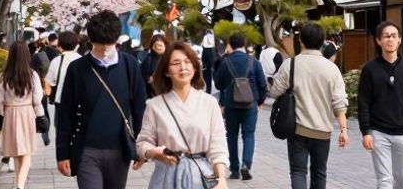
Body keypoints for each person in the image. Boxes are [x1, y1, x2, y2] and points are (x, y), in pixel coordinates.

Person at [55, 9, 149, 189]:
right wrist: (62, 153)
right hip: (87, 150)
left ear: (117, 40)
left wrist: (142, 148)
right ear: (91, 42)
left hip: (120, 150)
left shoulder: (130, 66)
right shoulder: (77, 69)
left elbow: (139, 110)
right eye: (100, 45)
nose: (105, 49)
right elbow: (66, 113)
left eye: (110, 44)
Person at [137, 41, 231, 189]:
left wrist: (221, 178)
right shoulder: (154, 105)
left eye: (188, 62)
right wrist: (152, 152)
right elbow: (143, 142)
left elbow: (218, 144)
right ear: (166, 71)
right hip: (165, 176)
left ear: (195, 67)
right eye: (176, 62)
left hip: (200, 175)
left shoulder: (209, 103)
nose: (183, 67)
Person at [269, 22, 348, 189]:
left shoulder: (290, 65)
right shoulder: (332, 69)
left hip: (297, 129)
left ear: (301, 41)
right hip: (323, 132)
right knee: (319, 172)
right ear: (322, 43)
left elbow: (275, 92)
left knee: (298, 171)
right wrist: (344, 130)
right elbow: (339, 102)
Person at [359, 21, 403, 189]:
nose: (390, 39)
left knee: (402, 180)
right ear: (378, 40)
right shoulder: (370, 69)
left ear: (400, 40)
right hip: (379, 132)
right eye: (386, 36)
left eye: (394, 36)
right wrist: (366, 131)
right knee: (385, 180)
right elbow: (363, 101)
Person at [214, 32, 269, 180]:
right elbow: (263, 84)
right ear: (244, 45)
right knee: (249, 134)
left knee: (231, 136)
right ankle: (246, 164)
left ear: (230, 45)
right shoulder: (253, 61)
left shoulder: (226, 61)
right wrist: (260, 101)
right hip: (250, 105)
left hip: (231, 104)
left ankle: (234, 169)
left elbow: (218, 83)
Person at [0, 40, 45, 189]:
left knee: (16, 152)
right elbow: (37, 99)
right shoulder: (32, 75)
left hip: (10, 113)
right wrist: (40, 115)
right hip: (27, 113)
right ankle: (20, 185)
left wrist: (6, 112)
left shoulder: (3, 76)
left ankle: (18, 183)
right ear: (26, 55)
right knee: (27, 152)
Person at [48, 30, 82, 106]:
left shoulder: (56, 61)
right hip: (81, 102)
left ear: (60, 44)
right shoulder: (83, 60)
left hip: (61, 101)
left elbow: (49, 83)